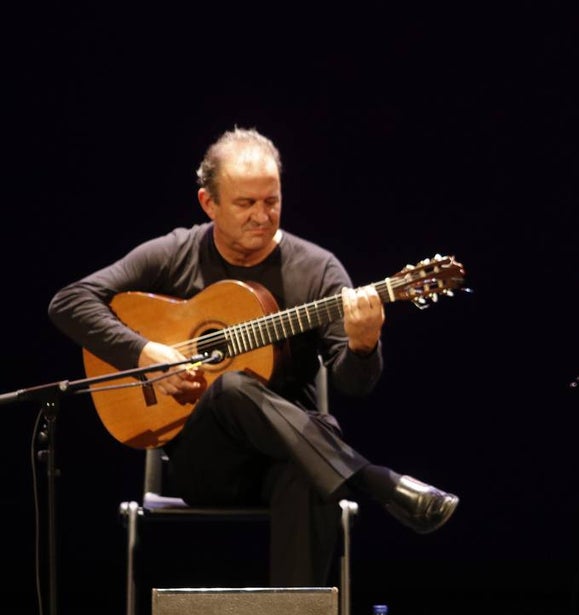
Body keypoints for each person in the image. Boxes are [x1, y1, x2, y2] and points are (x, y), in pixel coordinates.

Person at [48, 126, 460, 588]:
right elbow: (69, 302)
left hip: (296, 456)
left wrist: (363, 345)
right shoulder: (177, 253)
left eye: (272, 201)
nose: (262, 216)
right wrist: (146, 353)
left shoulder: (318, 269)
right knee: (231, 386)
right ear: (209, 203)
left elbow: (354, 385)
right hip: (207, 464)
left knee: (312, 470)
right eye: (246, 204)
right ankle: (377, 481)